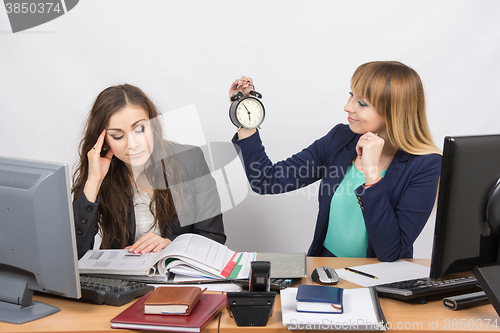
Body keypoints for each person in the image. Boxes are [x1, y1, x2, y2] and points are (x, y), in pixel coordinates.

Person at [230, 61, 442, 261]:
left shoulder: (425, 165)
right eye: (351, 95)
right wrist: (246, 117)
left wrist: (372, 173)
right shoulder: (340, 138)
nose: (348, 107)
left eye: (361, 103)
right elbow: (266, 180)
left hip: (381, 282)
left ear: (393, 112)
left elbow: (390, 252)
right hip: (327, 270)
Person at [72, 84, 225, 259]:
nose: (133, 144)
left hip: (176, 279)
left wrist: (172, 246)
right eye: (117, 135)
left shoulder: (191, 160)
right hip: (123, 282)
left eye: (139, 129)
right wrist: (94, 181)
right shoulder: (100, 172)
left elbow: (214, 239)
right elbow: (76, 255)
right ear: (104, 140)